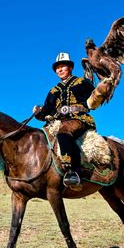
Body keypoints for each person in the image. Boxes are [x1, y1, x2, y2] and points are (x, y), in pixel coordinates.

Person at [33, 52, 96, 186]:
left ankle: (73, 172)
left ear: (70, 68)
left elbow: (95, 97)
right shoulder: (53, 91)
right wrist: (38, 112)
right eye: (57, 68)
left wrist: (91, 77)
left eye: (63, 66)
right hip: (57, 121)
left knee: (64, 132)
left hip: (79, 118)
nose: (60, 70)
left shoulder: (81, 82)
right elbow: (46, 112)